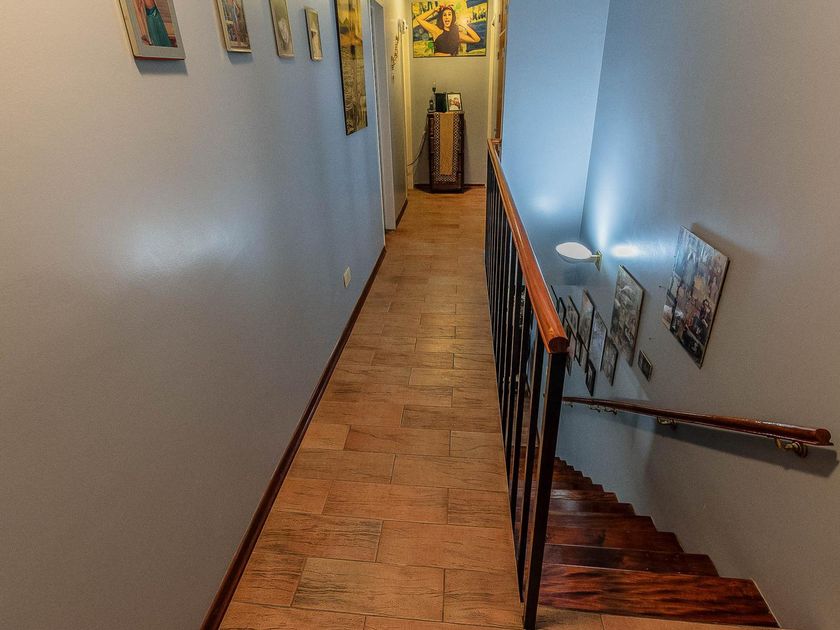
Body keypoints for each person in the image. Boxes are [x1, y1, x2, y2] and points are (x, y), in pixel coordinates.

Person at [413, 4, 480, 56]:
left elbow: (476, 39)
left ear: (452, 17)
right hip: (438, 64)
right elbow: (419, 19)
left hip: (452, 64)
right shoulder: (436, 30)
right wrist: (434, 10)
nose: (447, 17)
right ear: (441, 18)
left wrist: (464, 25)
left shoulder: (456, 34)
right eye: (444, 15)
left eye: (449, 14)